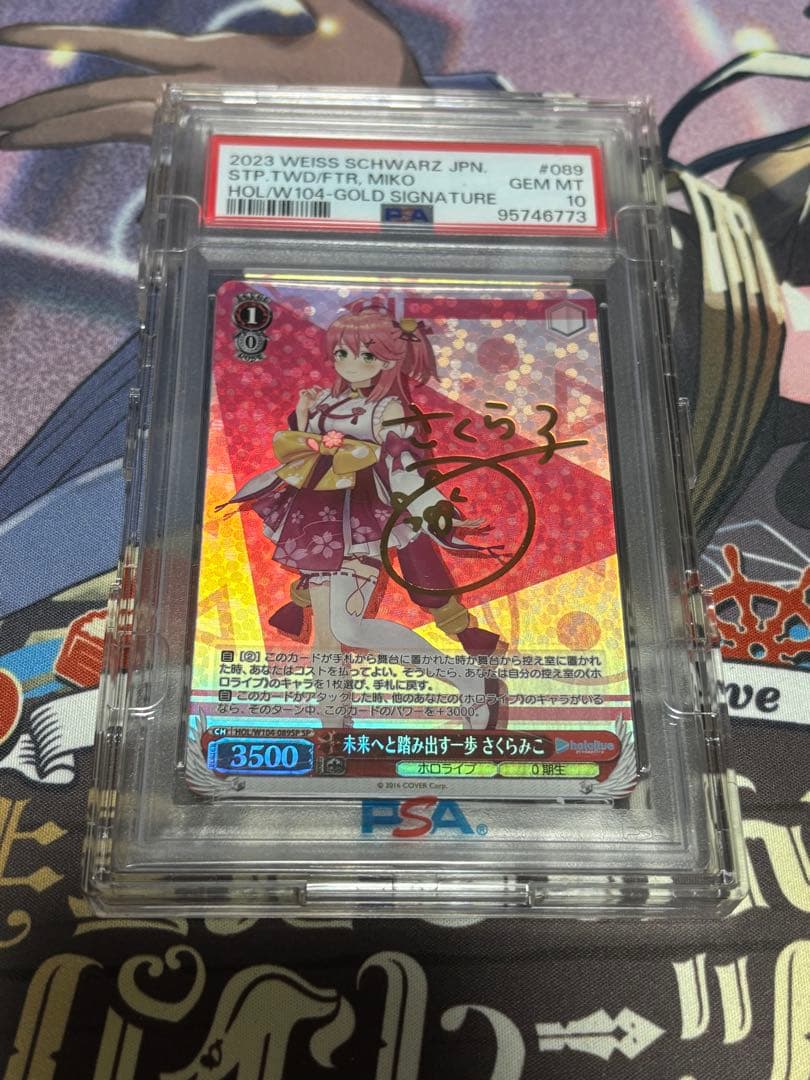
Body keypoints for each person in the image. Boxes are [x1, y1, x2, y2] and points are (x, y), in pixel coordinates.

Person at [223, 297, 504, 729]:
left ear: (388, 360)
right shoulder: (323, 401)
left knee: (348, 629)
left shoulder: (388, 410)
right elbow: (302, 451)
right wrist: (304, 416)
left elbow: (403, 468)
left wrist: (436, 511)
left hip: (361, 521)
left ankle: (468, 680)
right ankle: (334, 736)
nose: (350, 364)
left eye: (365, 355)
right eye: (342, 353)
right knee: (326, 639)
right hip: (313, 518)